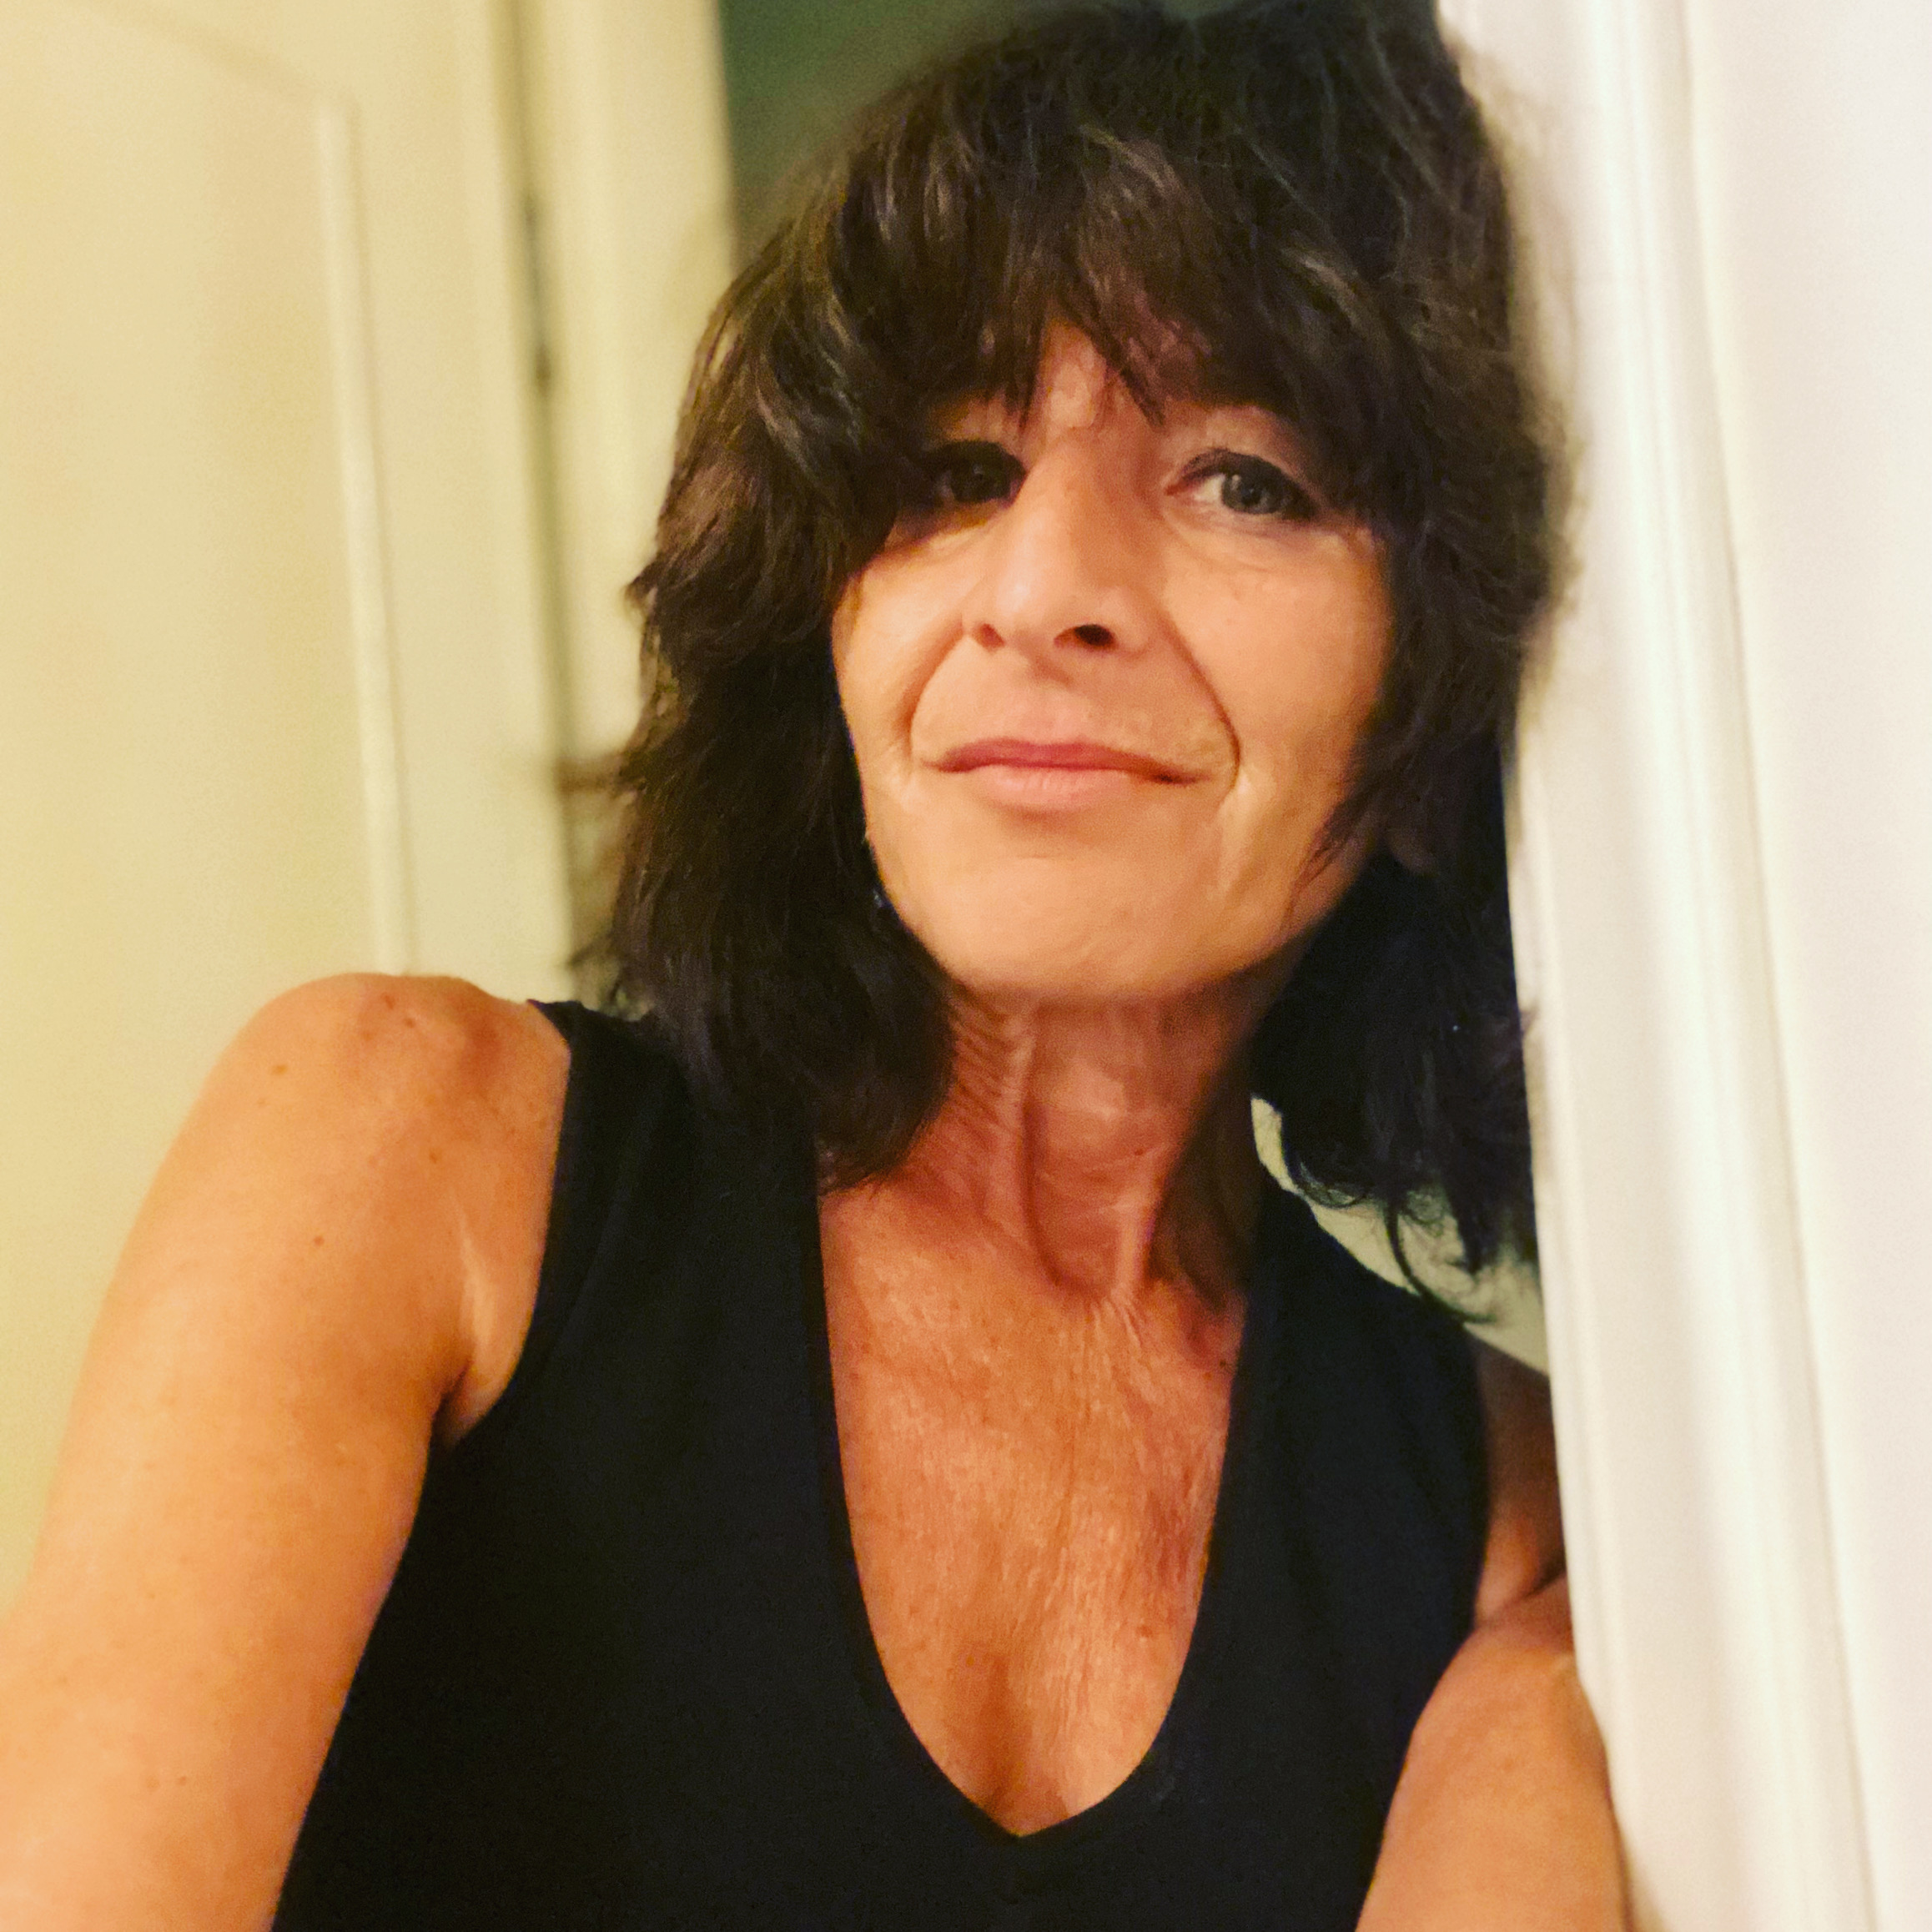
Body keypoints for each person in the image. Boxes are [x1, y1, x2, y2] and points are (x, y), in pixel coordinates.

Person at [0, 2, 1624, 1926]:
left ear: (1433, 735)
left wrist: (1543, 1699)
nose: (1041, 589)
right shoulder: (407, 1148)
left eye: (1247, 477)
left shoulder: (1514, 1527)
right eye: (954, 468)